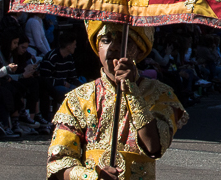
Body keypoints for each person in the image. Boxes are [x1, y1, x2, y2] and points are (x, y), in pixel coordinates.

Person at [47, 22, 187, 180]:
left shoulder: (160, 94)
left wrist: (131, 90)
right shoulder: (78, 99)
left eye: (123, 41)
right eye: (106, 40)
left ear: (139, 49)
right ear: (97, 47)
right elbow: (58, 163)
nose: (113, 47)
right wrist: (91, 176)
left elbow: (154, 147)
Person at [40, 31, 81, 110]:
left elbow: (73, 78)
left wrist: (83, 86)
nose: (75, 47)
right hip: (54, 86)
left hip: (66, 84)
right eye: (74, 45)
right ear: (68, 46)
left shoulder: (69, 58)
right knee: (70, 93)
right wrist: (62, 82)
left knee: (80, 91)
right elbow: (45, 79)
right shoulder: (52, 57)